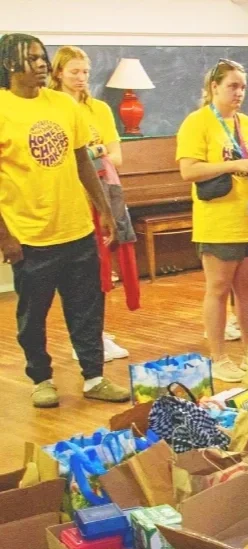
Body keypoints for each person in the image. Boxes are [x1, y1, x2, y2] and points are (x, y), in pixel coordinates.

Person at [0, 33, 130, 407]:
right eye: (33, 59)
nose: (42, 64)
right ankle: (41, 379)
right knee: (33, 315)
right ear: (10, 64)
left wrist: (104, 210)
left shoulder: (62, 104)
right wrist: (5, 237)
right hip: (30, 235)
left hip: (75, 229)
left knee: (87, 308)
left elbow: (81, 162)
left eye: (44, 57)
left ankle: (94, 377)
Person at [177, 59, 248, 382]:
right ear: (214, 87)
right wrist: (234, 166)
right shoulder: (198, 123)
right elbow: (189, 170)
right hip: (219, 222)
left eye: (243, 87)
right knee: (218, 288)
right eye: (233, 86)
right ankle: (218, 356)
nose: (239, 92)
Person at [49, 45, 134, 362]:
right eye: (74, 71)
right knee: (81, 276)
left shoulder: (99, 109)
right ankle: (86, 336)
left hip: (99, 195)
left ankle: (95, 332)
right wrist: (89, 154)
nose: (81, 78)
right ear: (58, 72)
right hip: (67, 201)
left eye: (85, 72)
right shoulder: (52, 108)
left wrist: (89, 154)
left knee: (101, 271)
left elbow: (116, 156)